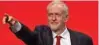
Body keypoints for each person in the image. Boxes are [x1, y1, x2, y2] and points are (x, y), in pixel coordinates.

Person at [3, 0, 93, 45]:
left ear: (66, 18)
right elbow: (27, 35)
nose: (53, 18)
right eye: (50, 15)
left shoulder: (84, 40)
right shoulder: (40, 34)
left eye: (57, 15)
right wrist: (13, 23)